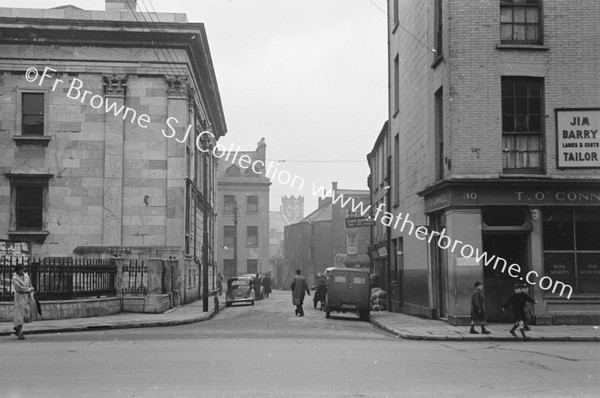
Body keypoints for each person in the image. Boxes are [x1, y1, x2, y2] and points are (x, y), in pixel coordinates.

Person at [12, 263, 36, 340]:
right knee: (19, 315)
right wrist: (29, 290)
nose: (22, 271)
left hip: (26, 297)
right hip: (19, 297)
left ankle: (17, 328)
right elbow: (19, 288)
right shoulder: (15, 278)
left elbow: (30, 284)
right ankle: (20, 333)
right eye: (20, 269)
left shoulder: (26, 276)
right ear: (17, 270)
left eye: (23, 269)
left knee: (26, 314)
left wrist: (31, 289)